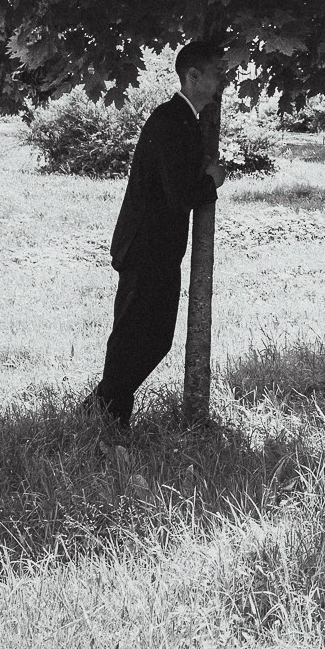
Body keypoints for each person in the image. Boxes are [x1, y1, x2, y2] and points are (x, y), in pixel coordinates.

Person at [85, 39, 228, 430]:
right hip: (145, 249)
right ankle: (106, 417)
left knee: (152, 338)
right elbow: (178, 195)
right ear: (192, 75)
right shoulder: (169, 121)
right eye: (216, 73)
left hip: (159, 250)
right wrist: (212, 182)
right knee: (135, 338)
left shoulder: (186, 121)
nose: (222, 82)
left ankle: (102, 409)